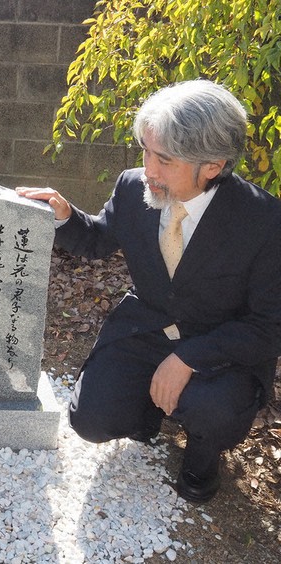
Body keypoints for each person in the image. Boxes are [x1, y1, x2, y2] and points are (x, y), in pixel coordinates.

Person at [17, 79, 281, 504]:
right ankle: (148, 414)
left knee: (213, 409)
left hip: (221, 345)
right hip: (147, 326)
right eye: (146, 151)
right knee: (91, 420)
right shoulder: (132, 185)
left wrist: (188, 359)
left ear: (212, 165)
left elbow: (269, 326)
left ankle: (202, 455)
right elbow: (99, 239)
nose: (149, 169)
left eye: (165, 160)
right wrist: (65, 217)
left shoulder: (264, 221)